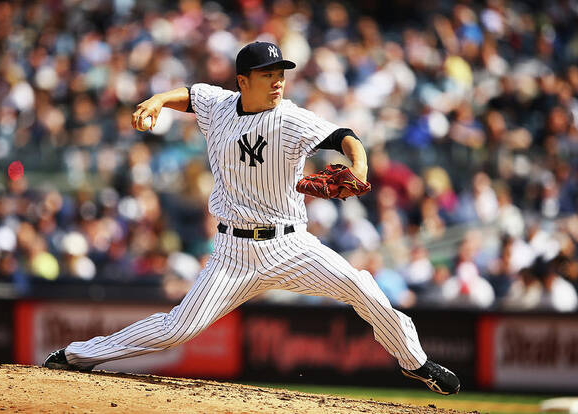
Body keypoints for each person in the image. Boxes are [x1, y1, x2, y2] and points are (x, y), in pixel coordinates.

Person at [43, 41, 460, 395]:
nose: (278, 80)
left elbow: (346, 138)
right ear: (242, 81)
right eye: (267, 74)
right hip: (232, 253)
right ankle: (77, 356)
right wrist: (156, 100)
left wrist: (361, 170)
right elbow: (189, 94)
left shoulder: (290, 118)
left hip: (290, 245)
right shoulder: (219, 105)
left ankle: (415, 362)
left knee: (360, 285)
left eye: (281, 72)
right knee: (177, 329)